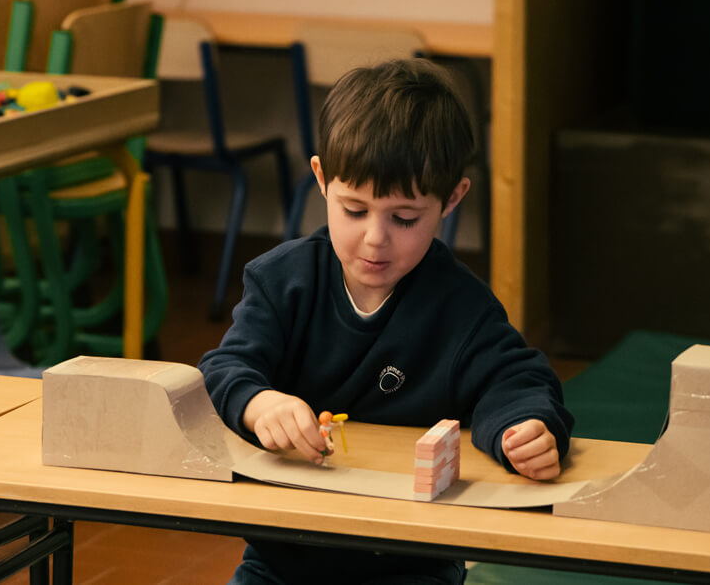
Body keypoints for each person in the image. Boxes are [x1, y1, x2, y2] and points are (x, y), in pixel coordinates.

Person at [198, 59, 574, 584]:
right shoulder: (282, 282)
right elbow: (222, 371)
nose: (376, 238)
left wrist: (524, 427)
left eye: (403, 218)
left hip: (410, 564)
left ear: (452, 199)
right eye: (354, 210)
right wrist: (259, 404)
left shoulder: (460, 306)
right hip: (283, 558)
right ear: (322, 180)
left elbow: (515, 381)